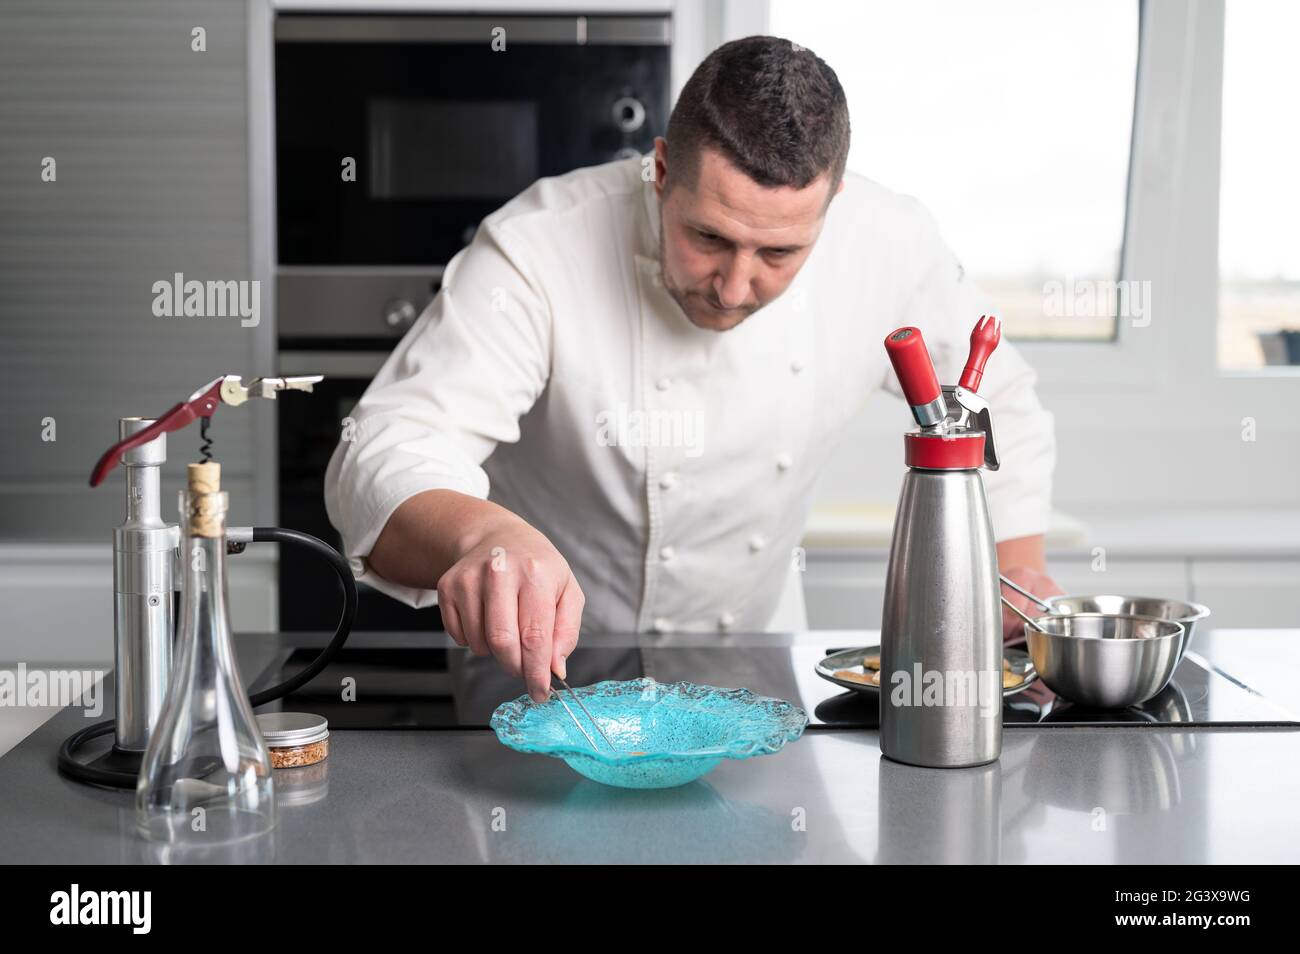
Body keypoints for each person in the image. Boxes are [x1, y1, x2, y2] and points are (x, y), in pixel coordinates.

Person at [324, 36, 1062, 704]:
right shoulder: (539, 247)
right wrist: (480, 538)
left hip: (753, 668)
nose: (735, 286)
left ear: (832, 203)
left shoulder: (889, 242)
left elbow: (997, 401)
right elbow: (388, 444)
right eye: (709, 237)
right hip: (545, 676)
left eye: (778, 254)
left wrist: (1012, 574)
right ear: (662, 169)